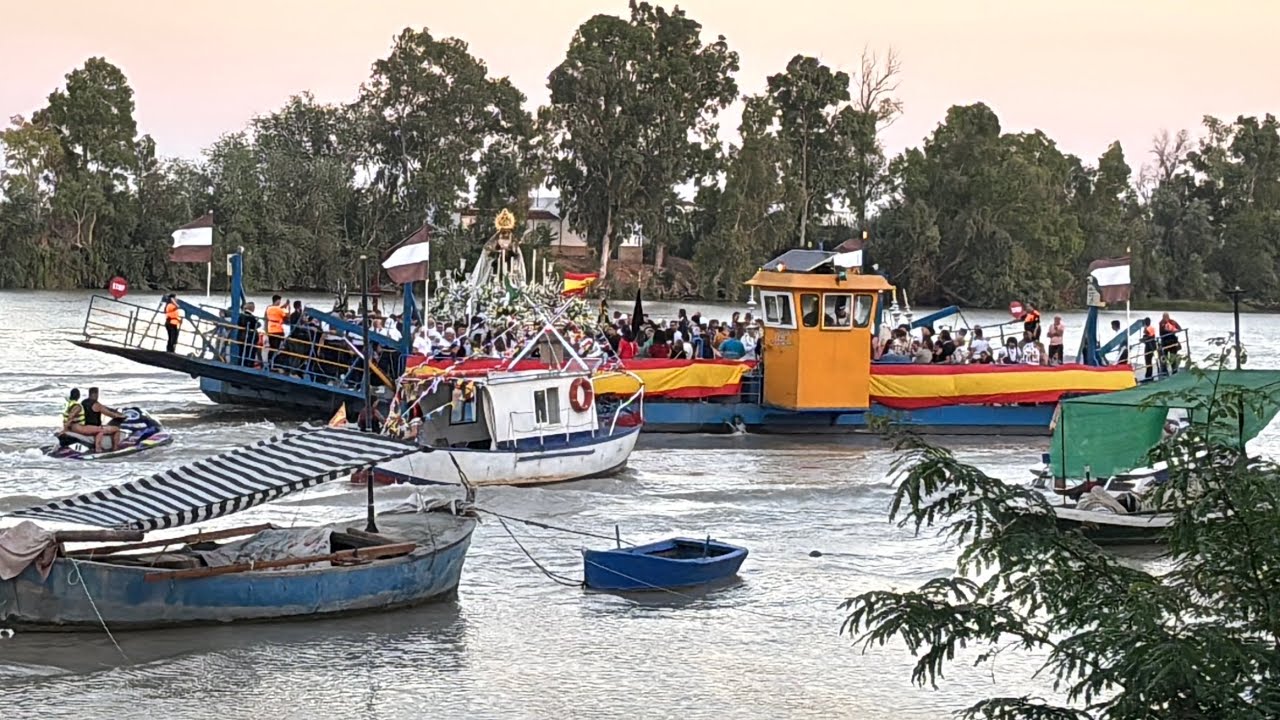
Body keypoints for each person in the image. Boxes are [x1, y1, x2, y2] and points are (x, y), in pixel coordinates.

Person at [264, 295, 288, 368]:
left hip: (273, 330)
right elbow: (285, 315)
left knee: (274, 347)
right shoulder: (275, 309)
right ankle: (272, 362)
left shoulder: (269, 308)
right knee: (275, 347)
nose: (280, 302)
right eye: (279, 301)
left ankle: (271, 362)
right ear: (277, 300)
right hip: (276, 330)